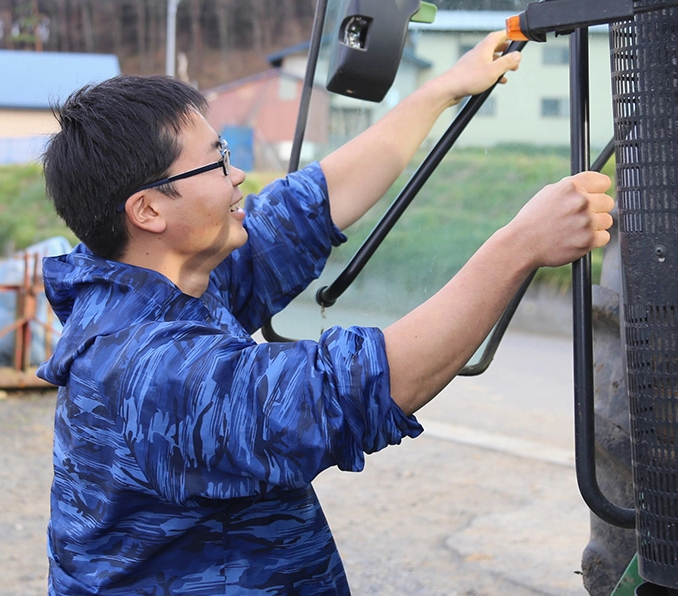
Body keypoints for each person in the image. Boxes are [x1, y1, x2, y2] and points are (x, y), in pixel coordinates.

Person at [36, 32, 614, 595]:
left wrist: (442, 90)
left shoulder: (157, 280)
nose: (236, 176)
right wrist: (519, 246)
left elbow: (309, 206)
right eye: (215, 164)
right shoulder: (150, 369)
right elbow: (363, 385)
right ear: (149, 210)